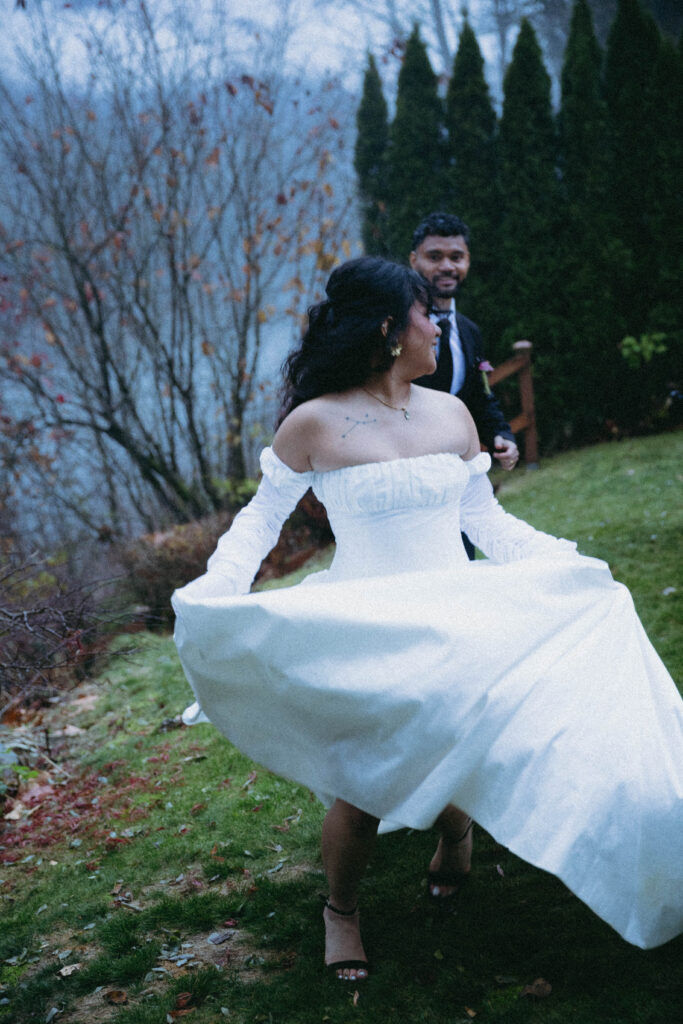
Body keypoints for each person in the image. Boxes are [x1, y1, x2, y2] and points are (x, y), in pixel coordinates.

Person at [172, 257, 683, 984]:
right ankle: (341, 910)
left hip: (460, 611)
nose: (438, 329)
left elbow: (487, 521)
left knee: (469, 739)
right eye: (425, 317)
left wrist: (569, 562)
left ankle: (458, 835)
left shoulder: (449, 412)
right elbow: (258, 525)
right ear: (389, 329)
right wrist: (213, 594)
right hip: (368, 625)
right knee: (364, 784)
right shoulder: (312, 422)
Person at [409, 211, 518, 471]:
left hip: (456, 465)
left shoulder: (470, 332)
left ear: (467, 261)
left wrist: (501, 437)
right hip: (406, 464)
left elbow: (480, 397)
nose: (447, 266)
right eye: (435, 257)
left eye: (456, 257)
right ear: (414, 261)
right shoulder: (397, 327)